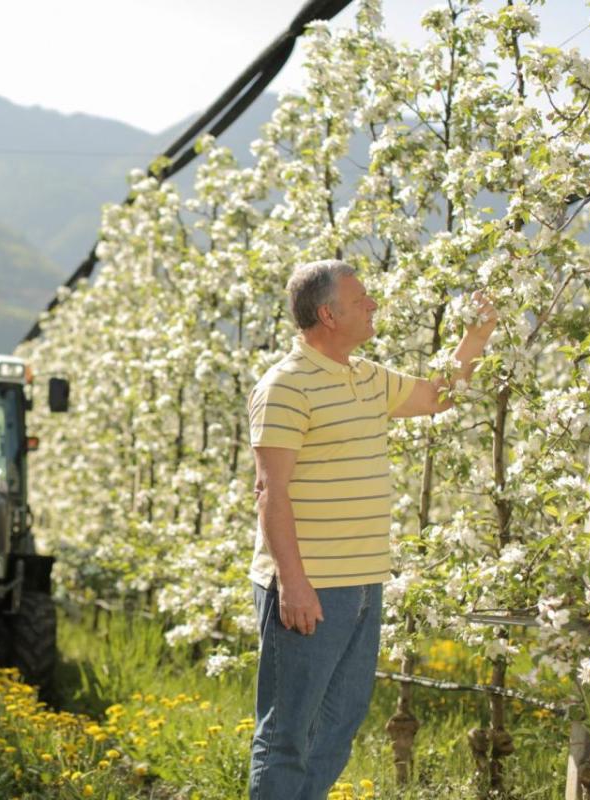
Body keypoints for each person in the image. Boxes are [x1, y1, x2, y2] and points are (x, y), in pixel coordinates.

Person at [247, 259, 497, 799]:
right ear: (328, 314)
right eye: (362, 300)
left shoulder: (367, 376)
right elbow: (272, 492)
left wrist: (475, 337)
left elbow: (437, 397)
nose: (373, 306)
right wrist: (292, 583)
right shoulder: (285, 387)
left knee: (339, 722)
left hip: (363, 583)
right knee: (288, 732)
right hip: (308, 586)